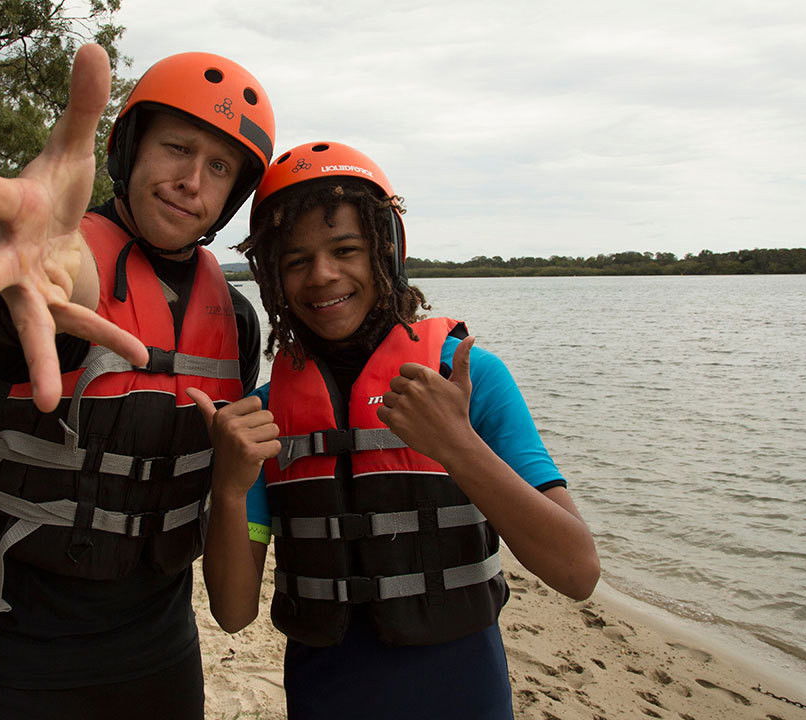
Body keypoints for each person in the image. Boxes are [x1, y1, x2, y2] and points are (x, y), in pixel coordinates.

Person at [0, 45, 275, 719]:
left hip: (161, 654)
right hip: (16, 653)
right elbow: (54, 293)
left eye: (219, 167)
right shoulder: (60, 268)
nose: (192, 181)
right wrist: (35, 264)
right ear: (129, 148)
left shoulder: (238, 322)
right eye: (177, 148)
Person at [188, 142, 600, 719]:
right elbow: (233, 614)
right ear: (273, 277)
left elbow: (577, 572)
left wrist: (457, 444)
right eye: (296, 260)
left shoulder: (468, 378)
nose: (322, 275)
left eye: (345, 250)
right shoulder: (264, 415)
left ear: (386, 250)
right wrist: (230, 488)